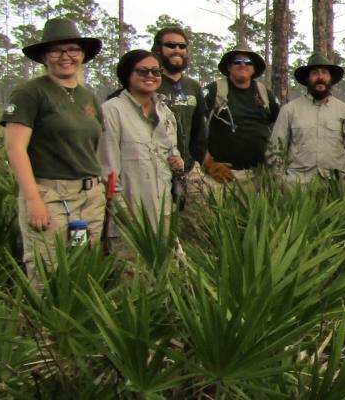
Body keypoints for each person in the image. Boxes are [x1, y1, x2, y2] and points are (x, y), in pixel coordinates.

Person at [1, 18, 107, 283]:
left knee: (83, 267)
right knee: (48, 271)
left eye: (72, 49)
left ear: (82, 55)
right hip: (50, 196)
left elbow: (95, 146)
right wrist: (33, 199)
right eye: (56, 51)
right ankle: (46, 326)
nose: (65, 56)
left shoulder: (88, 96)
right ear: (45, 57)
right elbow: (15, 149)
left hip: (90, 197)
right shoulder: (30, 93)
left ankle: (79, 322)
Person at [99, 50, 184, 258]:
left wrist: (178, 162)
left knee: (170, 278)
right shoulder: (112, 111)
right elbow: (108, 169)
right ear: (127, 74)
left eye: (156, 71)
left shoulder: (165, 112)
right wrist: (122, 212)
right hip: (129, 216)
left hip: (164, 214)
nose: (150, 76)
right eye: (143, 71)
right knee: (133, 282)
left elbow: (172, 153)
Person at [270, 53, 345, 183]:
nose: (320, 77)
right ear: (307, 78)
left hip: (335, 185)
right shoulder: (289, 110)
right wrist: (280, 180)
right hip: (297, 185)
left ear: (330, 78)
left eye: (324, 72)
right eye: (314, 73)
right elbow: (276, 150)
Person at [202, 49, 281, 184]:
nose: (243, 65)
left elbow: (281, 125)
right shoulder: (214, 90)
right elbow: (194, 126)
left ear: (253, 68)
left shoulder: (265, 94)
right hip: (222, 175)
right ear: (229, 67)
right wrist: (207, 162)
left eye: (248, 62)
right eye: (237, 61)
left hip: (259, 174)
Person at [151, 27, 209, 209]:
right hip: (156, 171)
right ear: (158, 49)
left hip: (189, 169)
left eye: (182, 46)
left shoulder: (193, 86)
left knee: (197, 226)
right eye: (170, 45)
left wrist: (197, 161)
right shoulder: (150, 82)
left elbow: (200, 128)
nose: (177, 50)